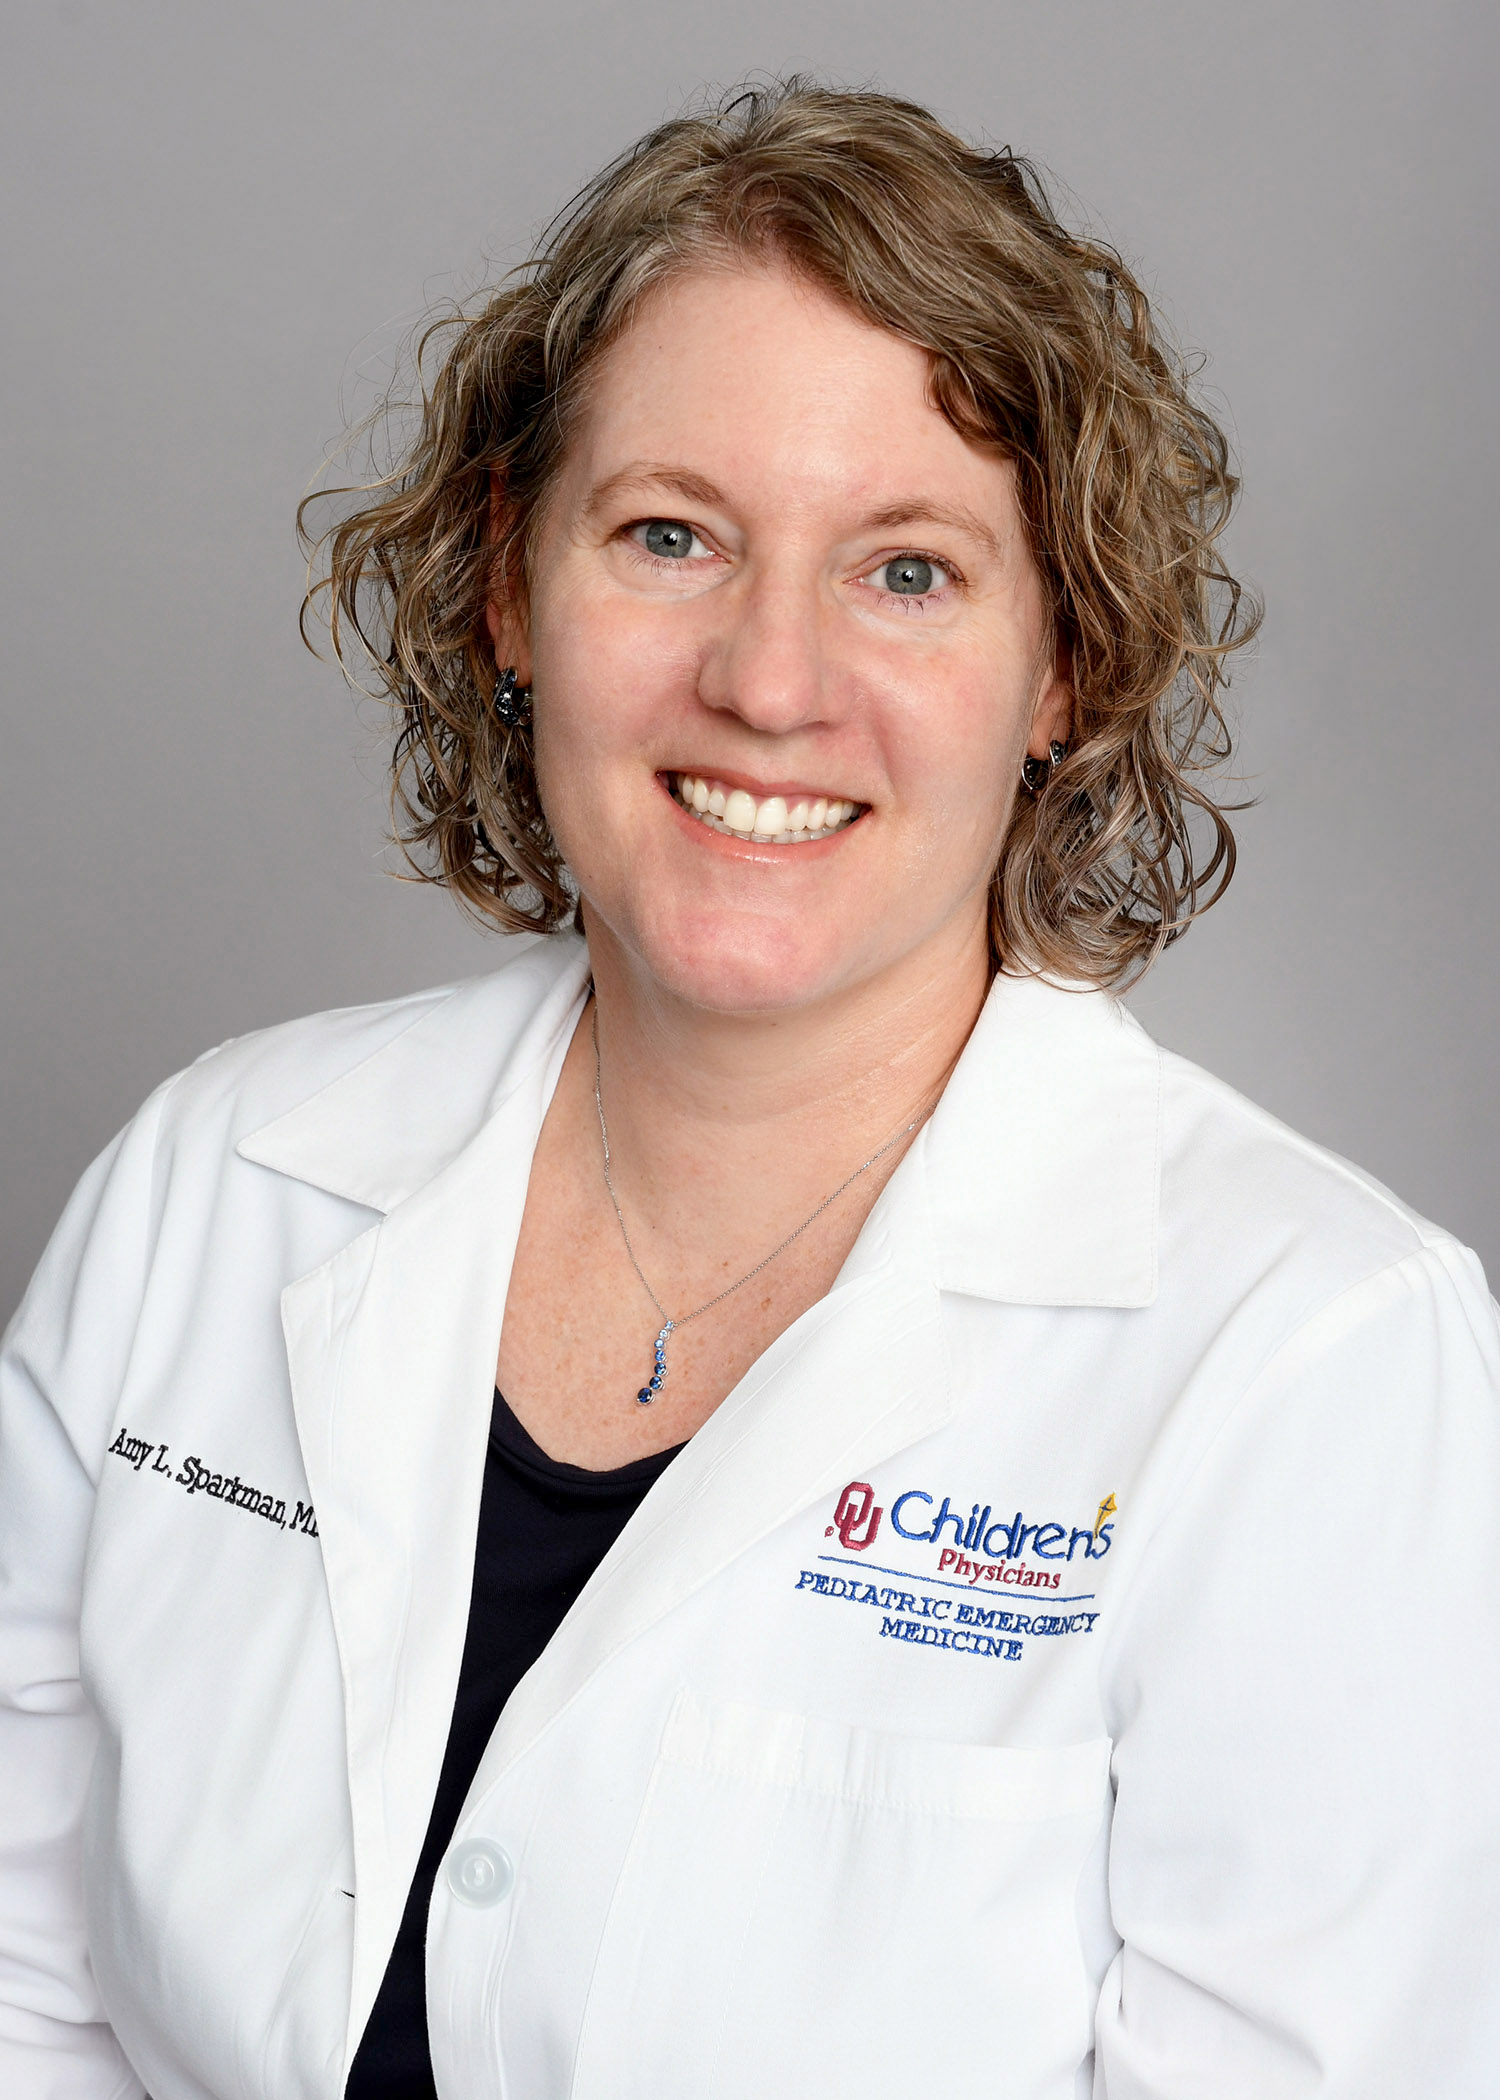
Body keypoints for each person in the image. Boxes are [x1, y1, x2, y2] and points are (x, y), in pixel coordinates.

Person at [2, 77, 1497, 2100]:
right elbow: (26, 2001)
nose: (769, 682)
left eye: (909, 571)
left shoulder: (1314, 1360)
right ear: (508, 589)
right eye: (670, 535)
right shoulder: (216, 1182)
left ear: (1064, 665)